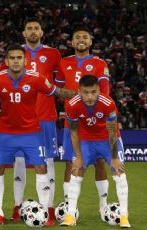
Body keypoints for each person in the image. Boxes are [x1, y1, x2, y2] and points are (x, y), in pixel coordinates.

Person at [0, 44, 75, 225]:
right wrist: (2, 98)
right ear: (6, 61)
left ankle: (46, 214)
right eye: (12, 58)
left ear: (25, 61)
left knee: (41, 169)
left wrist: (78, 94)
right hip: (5, 133)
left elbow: (57, 92)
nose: (16, 61)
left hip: (31, 132)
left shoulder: (36, 78)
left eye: (19, 58)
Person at [60, 75, 130, 228]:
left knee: (119, 173)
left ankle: (124, 216)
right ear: (79, 91)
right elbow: (73, 132)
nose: (90, 96)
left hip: (108, 140)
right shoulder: (72, 105)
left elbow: (112, 131)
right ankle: (70, 216)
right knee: (76, 170)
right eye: (86, 92)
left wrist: (114, 158)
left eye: (93, 92)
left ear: (99, 90)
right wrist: (78, 157)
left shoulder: (108, 103)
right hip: (86, 140)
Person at [10, 17, 61, 225]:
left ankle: (48, 209)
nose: (33, 31)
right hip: (21, 119)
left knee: (48, 162)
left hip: (46, 117)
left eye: (36, 28)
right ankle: (17, 206)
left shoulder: (53, 54)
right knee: (20, 163)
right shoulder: (15, 54)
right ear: (23, 33)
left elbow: (59, 84)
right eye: (29, 28)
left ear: (41, 32)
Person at [56, 27, 111, 213]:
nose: (81, 40)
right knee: (71, 162)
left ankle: (103, 206)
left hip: (95, 121)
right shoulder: (64, 63)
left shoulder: (99, 63)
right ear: (71, 42)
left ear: (90, 42)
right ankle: (69, 207)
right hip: (72, 120)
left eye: (85, 37)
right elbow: (58, 91)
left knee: (100, 161)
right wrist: (77, 98)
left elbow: (105, 92)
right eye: (77, 37)